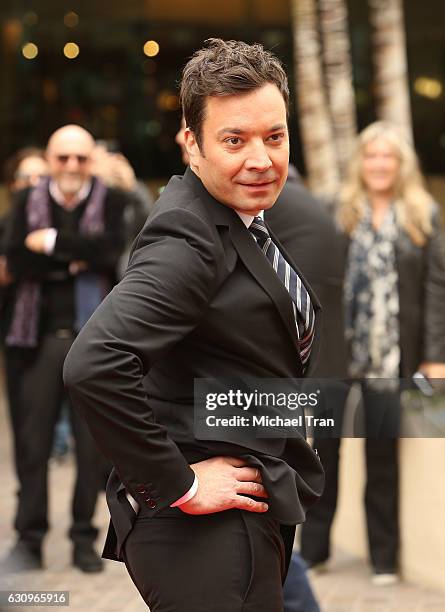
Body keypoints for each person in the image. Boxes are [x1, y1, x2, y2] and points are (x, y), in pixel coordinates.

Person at [64, 39, 324, 612]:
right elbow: (94, 364)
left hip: (242, 514)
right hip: (202, 532)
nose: (261, 158)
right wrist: (178, 483)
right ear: (193, 145)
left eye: (274, 136)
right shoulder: (188, 237)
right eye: (234, 140)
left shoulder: (236, 219)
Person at [300, 121, 445, 585]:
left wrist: (434, 354)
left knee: (382, 459)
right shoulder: (335, 211)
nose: (379, 164)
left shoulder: (424, 215)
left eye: (388, 156)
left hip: (390, 360)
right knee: (323, 454)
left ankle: (384, 558)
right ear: (359, 163)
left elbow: (436, 290)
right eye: (371, 155)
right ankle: (314, 553)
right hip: (336, 357)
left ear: (402, 164)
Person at [1, 124, 126, 573]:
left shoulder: (112, 201)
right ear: (50, 160)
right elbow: (16, 257)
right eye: (62, 158)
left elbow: (111, 254)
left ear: (91, 160)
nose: (71, 166)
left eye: (80, 158)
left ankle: (82, 539)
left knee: (92, 449)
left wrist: (51, 243)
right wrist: (76, 260)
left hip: (93, 343)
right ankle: (30, 539)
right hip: (35, 343)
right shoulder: (24, 201)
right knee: (32, 447)